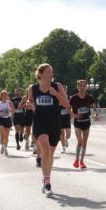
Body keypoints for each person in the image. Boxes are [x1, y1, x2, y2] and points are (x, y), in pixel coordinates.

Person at [27, 63, 70, 197]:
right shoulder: (33, 88)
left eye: (51, 71)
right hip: (39, 122)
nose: (50, 73)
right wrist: (30, 105)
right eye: (47, 71)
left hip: (54, 123)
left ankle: (45, 176)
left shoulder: (57, 86)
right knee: (45, 149)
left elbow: (67, 105)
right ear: (40, 74)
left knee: (50, 153)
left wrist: (56, 94)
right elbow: (29, 103)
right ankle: (47, 183)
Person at [69, 80, 98, 169]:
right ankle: (76, 159)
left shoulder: (89, 97)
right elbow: (68, 110)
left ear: (86, 87)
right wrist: (75, 115)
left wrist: (95, 114)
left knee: (84, 143)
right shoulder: (73, 98)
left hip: (86, 121)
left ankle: (81, 161)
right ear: (77, 87)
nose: (82, 87)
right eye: (80, 86)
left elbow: (94, 106)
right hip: (78, 122)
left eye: (84, 86)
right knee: (80, 142)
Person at [0, 90, 15, 156]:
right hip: (1, 119)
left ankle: (5, 147)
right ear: (1, 96)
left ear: (7, 96)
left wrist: (10, 110)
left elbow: (14, 110)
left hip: (7, 119)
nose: (4, 96)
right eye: (3, 95)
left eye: (5, 95)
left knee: (6, 136)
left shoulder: (9, 102)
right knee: (2, 133)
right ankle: (2, 145)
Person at [58, 84, 72, 153]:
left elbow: (72, 106)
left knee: (68, 134)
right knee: (61, 134)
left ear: (66, 90)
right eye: (62, 89)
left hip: (66, 117)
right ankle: (63, 148)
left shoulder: (69, 98)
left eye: (65, 89)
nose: (64, 90)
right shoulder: (57, 97)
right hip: (59, 117)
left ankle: (66, 139)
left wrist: (71, 111)